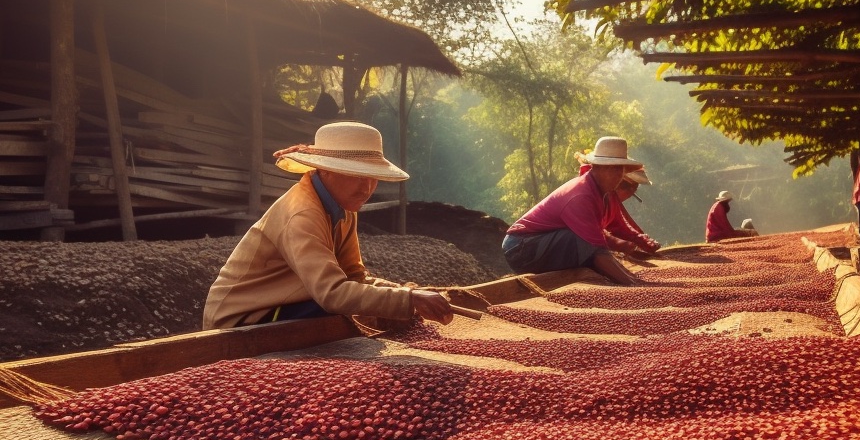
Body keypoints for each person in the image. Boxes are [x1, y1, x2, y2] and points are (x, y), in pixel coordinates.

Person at [203, 122, 453, 330]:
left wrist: (406, 293)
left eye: (372, 178)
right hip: (241, 319)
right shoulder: (302, 214)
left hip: (289, 302)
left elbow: (354, 277)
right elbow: (332, 293)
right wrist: (408, 300)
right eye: (356, 176)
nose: (366, 189)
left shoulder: (344, 207)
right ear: (326, 171)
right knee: (336, 311)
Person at [501, 136, 649, 287]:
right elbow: (596, 247)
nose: (618, 175)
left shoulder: (606, 194)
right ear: (598, 168)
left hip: (542, 242)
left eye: (620, 169)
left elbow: (617, 226)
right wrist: (633, 284)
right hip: (521, 248)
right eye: (613, 169)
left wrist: (640, 241)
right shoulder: (581, 195)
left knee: (588, 243)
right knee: (584, 240)